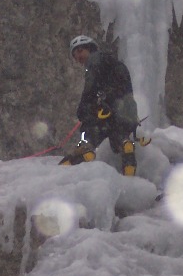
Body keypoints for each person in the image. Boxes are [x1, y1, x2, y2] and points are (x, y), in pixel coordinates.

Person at [59, 35, 139, 175]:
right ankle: (128, 167)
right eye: (75, 55)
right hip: (128, 110)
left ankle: (84, 152)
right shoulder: (116, 63)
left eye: (80, 51)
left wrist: (83, 108)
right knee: (119, 139)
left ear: (90, 49)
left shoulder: (94, 60)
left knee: (91, 128)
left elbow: (90, 87)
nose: (78, 57)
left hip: (109, 108)